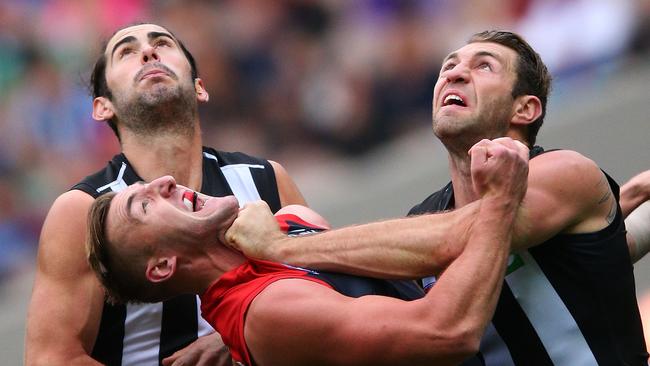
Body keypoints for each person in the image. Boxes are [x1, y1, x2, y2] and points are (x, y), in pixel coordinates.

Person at [225, 30, 649, 364]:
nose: (454, 73)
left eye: (484, 66)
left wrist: (282, 245)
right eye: (449, 65)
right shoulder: (425, 215)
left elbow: (456, 237)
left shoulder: (565, 172)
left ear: (525, 109)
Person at [86, 137, 530, 366]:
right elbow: (448, 332)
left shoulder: (288, 224)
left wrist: (278, 244)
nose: (163, 183)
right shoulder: (264, 311)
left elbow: (433, 251)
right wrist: (502, 201)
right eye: (144, 205)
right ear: (163, 266)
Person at [25, 23, 307, 366]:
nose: (148, 52)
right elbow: (52, 358)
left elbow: (331, 280)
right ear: (103, 108)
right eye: (126, 52)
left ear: (199, 87)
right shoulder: (83, 211)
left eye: (162, 43)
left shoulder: (267, 179)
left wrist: (240, 332)